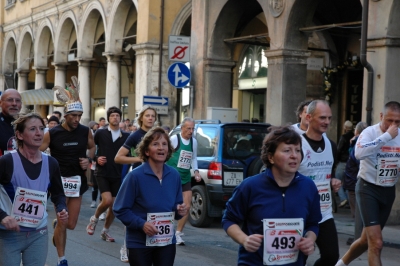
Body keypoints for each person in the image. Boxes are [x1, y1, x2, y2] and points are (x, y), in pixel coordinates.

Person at [222, 126, 321, 265]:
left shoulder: (308, 186)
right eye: (287, 150)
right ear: (271, 157)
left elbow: (313, 223)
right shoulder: (250, 186)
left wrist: (310, 240)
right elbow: (229, 220)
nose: (294, 155)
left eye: (298, 150)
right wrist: (244, 240)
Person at [336, 101, 400, 266]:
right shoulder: (369, 132)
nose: (393, 125)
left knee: (366, 240)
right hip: (368, 189)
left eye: (397, 122)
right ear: (381, 116)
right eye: (389, 120)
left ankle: (340, 264)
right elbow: (359, 153)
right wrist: (386, 137)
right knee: (376, 243)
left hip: (388, 190)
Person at [41, 77, 96, 266]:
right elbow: (37, 151)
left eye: (79, 116)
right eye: (74, 116)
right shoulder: (53, 133)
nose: (77, 119)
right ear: (66, 115)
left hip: (77, 181)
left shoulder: (84, 131)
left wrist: (88, 159)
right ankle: (61, 259)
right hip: (59, 183)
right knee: (64, 221)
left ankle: (58, 226)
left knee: (70, 224)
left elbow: (92, 147)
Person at [0, 112, 68, 266]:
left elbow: (58, 194)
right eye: (32, 129)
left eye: (41, 128)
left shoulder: (51, 163)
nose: (39, 133)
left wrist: (62, 208)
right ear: (20, 135)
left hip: (38, 232)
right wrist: (2, 216)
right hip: (9, 234)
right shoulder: (7, 161)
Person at [113, 127, 187, 266]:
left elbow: (176, 209)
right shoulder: (134, 176)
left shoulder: (174, 175)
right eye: (155, 144)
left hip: (166, 241)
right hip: (139, 243)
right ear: (146, 151)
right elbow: (120, 209)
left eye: (164, 144)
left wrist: (180, 210)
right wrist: (142, 224)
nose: (161, 148)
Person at [297, 100, 341, 266]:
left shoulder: (331, 145)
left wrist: (333, 181)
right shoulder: (297, 145)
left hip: (324, 212)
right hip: (301, 212)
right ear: (308, 117)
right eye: (322, 117)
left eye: (329, 118)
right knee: (299, 258)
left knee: (331, 256)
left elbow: (328, 174)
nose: (327, 122)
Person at [114, 104, 158, 262]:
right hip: (138, 177)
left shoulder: (157, 135)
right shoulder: (135, 135)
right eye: (147, 115)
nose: (150, 118)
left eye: (153, 116)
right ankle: (126, 246)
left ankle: (153, 245)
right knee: (133, 212)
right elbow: (118, 158)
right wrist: (140, 159)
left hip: (155, 178)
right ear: (141, 118)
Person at [86, 107, 129, 242]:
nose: (115, 118)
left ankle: (105, 231)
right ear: (108, 118)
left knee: (114, 207)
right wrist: (96, 158)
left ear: (120, 118)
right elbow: (91, 150)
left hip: (117, 174)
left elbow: (131, 154)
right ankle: (94, 219)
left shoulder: (126, 136)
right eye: (112, 116)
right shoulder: (100, 133)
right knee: (108, 200)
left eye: (117, 115)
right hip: (102, 172)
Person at [166, 117, 201, 245]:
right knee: (169, 206)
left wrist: (196, 172)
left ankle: (178, 233)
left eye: (193, 129)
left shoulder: (194, 142)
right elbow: (164, 154)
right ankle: (167, 231)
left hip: (185, 177)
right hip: (172, 177)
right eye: (188, 128)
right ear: (182, 128)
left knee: (187, 205)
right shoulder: (174, 139)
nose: (191, 131)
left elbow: (194, 158)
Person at [343, 121, 367, 245]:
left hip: (354, 181)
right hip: (355, 181)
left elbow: (357, 160)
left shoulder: (358, 142)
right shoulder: (362, 141)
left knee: (357, 214)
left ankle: (359, 239)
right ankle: (361, 238)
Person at [335, 120, 354, 208]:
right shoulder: (354, 136)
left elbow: (339, 149)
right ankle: (349, 201)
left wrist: (336, 160)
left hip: (343, 162)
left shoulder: (343, 137)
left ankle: (343, 199)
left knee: (337, 180)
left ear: (345, 128)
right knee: (347, 181)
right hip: (351, 162)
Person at [0, 89, 22, 157]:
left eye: (18, 101)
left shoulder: (25, 124)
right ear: (0, 103)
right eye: (10, 100)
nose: (14, 104)